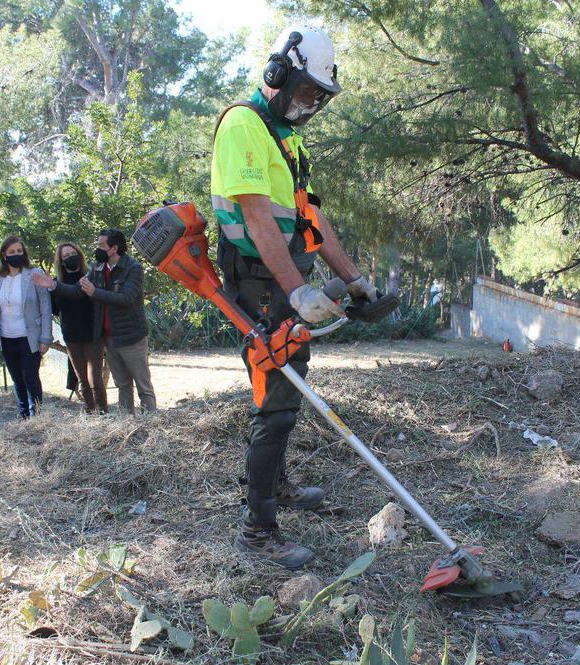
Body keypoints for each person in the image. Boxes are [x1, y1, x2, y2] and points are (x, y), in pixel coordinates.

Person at [210, 25, 380, 569]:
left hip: (283, 282)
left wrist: (355, 279)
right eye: (305, 91)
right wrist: (297, 289)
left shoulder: (287, 138)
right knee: (276, 398)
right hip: (262, 283)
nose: (310, 104)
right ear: (278, 72)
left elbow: (310, 218)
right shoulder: (244, 124)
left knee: (288, 385)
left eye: (318, 97)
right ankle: (257, 529)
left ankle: (276, 484)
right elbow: (258, 217)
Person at [33, 229, 155, 414]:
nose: (97, 249)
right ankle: (126, 423)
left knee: (142, 385)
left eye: (101, 245)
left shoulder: (133, 268)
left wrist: (95, 292)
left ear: (114, 248)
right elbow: (77, 290)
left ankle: (150, 420)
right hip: (109, 337)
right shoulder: (98, 268)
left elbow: (126, 298)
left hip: (131, 336)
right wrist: (53, 285)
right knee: (122, 384)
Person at [0, 236, 52, 419]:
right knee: (17, 378)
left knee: (30, 376)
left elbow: (45, 308)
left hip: (30, 337)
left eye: (19, 251)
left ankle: (37, 415)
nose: (16, 254)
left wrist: (46, 339)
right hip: (6, 337)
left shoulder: (34, 274)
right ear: (4, 255)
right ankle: (23, 415)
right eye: (12, 252)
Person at [49, 241, 106, 413]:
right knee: (82, 379)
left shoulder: (90, 276)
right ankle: (90, 411)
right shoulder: (56, 283)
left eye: (73, 254)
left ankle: (103, 413)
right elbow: (54, 309)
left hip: (92, 334)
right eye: (66, 256)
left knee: (95, 378)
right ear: (61, 261)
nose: (70, 257)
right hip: (72, 337)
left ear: (79, 256)